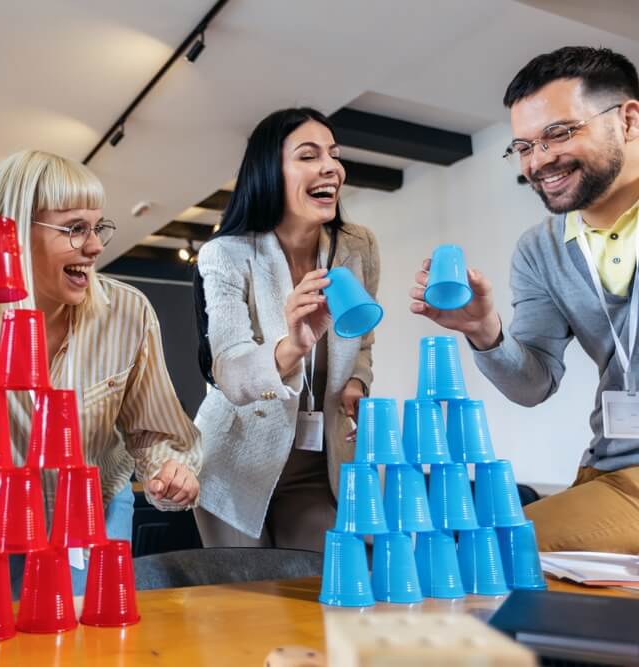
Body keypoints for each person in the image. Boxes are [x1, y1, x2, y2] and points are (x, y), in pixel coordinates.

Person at [0, 149, 201, 592]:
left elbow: (155, 431)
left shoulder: (128, 312)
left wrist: (169, 471)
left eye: (98, 226)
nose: (96, 246)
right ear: (13, 234)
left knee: (92, 648)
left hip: (96, 514)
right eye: (75, 229)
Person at [410, 46, 639, 553]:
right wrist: (485, 331)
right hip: (606, 469)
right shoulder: (540, 249)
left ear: (628, 120)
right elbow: (534, 385)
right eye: (524, 146)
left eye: (558, 133)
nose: (540, 161)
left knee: (484, 558)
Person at [192, 107, 381, 550]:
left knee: (323, 582)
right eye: (309, 155)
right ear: (269, 172)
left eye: (333, 155)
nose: (330, 167)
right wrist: (291, 347)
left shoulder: (358, 246)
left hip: (317, 468)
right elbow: (231, 373)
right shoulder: (226, 254)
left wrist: (357, 382)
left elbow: (364, 339)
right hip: (234, 466)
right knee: (248, 604)